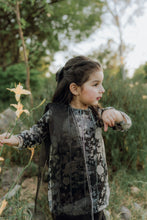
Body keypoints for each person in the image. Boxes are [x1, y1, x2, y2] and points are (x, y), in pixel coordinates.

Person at [0, 56, 132, 220]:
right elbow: (35, 134)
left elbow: (125, 124)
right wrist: (15, 139)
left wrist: (116, 114)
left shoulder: (97, 113)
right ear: (75, 89)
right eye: (96, 84)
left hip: (95, 196)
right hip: (66, 199)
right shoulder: (55, 115)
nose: (102, 89)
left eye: (101, 84)